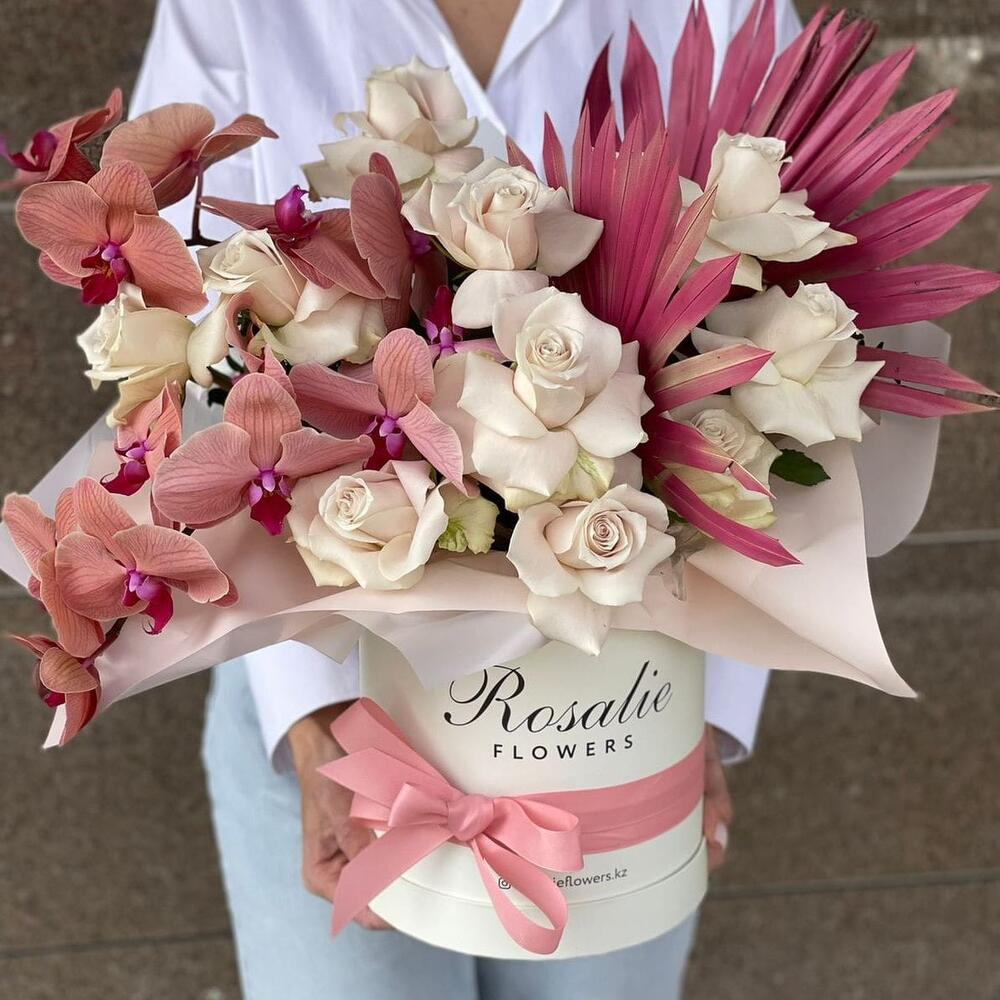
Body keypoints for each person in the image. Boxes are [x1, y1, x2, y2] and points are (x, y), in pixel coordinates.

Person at [130, 1, 801, 997]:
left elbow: (786, 344)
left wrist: (710, 707)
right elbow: (177, 343)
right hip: (327, 694)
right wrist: (309, 717)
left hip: (623, 709)